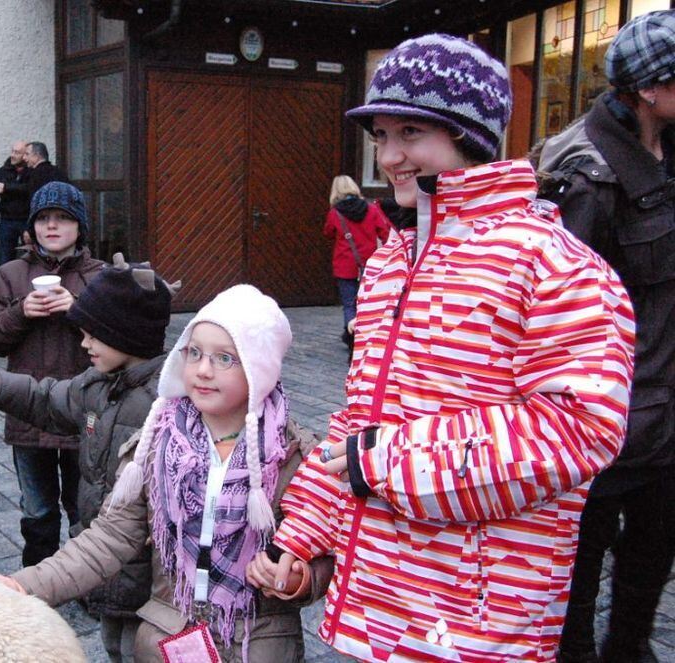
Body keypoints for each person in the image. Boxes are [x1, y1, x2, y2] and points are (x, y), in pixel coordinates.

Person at [259, 34, 635, 663]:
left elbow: (579, 430)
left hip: (480, 609)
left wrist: (380, 463)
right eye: (380, 136)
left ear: (470, 135)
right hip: (383, 591)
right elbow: (360, 422)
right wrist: (303, 533)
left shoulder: (554, 264)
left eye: (410, 132)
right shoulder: (391, 264)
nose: (390, 156)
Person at [0, 284, 333, 663]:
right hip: (169, 641)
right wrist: (23, 585)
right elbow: (107, 539)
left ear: (260, 368)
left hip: (258, 646)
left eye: (225, 358)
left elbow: (324, 549)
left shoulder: (293, 456)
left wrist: (300, 579)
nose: (203, 370)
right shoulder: (156, 444)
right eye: (194, 353)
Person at [0, 255, 175, 662]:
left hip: (152, 576)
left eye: (93, 335)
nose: (84, 343)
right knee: (114, 643)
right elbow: (49, 398)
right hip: (104, 561)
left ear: (125, 335)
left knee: (141, 647)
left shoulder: (165, 403)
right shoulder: (96, 385)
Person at [537, 11, 675, 661]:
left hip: (667, 421)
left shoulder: (669, 146)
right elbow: (556, 317)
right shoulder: (584, 170)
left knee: (650, 567)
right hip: (604, 426)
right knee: (576, 576)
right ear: (651, 87)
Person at [0, 181, 102, 568]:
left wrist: (78, 311)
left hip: (84, 411)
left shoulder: (100, 276)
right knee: (38, 507)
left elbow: (122, 339)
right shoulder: (12, 273)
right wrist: (20, 311)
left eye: (63, 218)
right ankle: (39, 578)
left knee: (84, 506)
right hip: (27, 411)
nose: (52, 226)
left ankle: (83, 579)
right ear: (32, 227)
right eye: (44, 218)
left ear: (80, 227)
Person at [322, 175, 392, 348]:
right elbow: (384, 233)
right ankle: (365, 333)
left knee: (349, 303)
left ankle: (352, 337)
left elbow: (328, 233)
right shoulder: (371, 209)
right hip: (369, 263)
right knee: (366, 301)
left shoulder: (335, 213)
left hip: (345, 264)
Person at [0, 140, 30, 265]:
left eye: (17, 152)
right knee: (6, 258)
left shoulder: (32, 170)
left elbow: (29, 189)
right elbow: (1, 190)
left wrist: (7, 188)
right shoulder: (4, 170)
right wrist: (14, 188)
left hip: (26, 219)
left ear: (25, 155)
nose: (12, 155)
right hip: (7, 219)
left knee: (30, 257)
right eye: (12, 151)